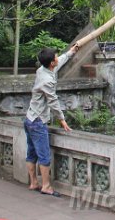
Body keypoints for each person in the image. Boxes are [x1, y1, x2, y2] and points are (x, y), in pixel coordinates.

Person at [24, 43, 79, 197]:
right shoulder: (47, 81)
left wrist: (71, 52)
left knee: (31, 153)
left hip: (29, 119)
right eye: (55, 57)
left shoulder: (42, 69)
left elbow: (60, 60)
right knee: (44, 155)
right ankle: (46, 186)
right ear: (51, 63)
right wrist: (62, 120)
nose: (57, 58)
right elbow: (53, 102)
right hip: (37, 121)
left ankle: (34, 182)